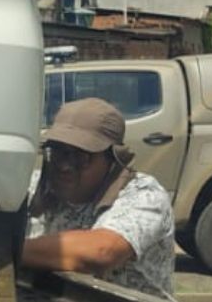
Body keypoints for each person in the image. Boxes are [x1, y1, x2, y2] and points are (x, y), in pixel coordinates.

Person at [22, 97, 176, 301]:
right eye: (58, 153)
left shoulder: (144, 195)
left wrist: (5, 251)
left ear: (113, 158)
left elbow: (101, 252)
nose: (65, 166)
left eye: (81, 157)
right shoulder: (34, 188)